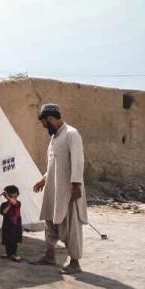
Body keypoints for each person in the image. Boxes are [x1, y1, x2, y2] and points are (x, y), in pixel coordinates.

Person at [31, 103, 87, 274]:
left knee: (71, 225)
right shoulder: (55, 136)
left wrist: (76, 185)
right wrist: (44, 179)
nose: (43, 126)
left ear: (50, 119)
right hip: (53, 189)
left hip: (68, 190)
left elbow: (77, 161)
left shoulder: (71, 134)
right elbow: (54, 164)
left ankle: (75, 263)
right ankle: (49, 256)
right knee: (50, 221)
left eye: (43, 122)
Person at [0, 185, 23, 261]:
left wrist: (8, 198)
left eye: (15, 195)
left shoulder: (18, 203)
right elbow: (3, 212)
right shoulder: (4, 204)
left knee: (14, 240)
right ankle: (8, 253)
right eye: (11, 195)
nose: (14, 197)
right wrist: (9, 204)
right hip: (7, 225)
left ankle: (14, 254)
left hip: (15, 225)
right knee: (7, 240)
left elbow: (14, 203)